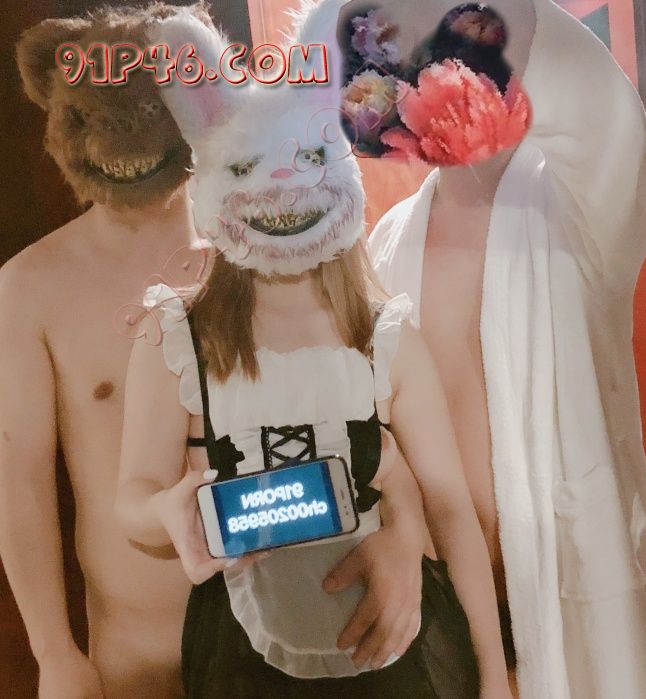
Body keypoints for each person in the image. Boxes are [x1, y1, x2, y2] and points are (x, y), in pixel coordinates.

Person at [0, 3, 426, 697]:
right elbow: (16, 480)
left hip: (302, 625)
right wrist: (54, 652)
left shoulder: (281, 238)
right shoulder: (30, 287)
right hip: (140, 651)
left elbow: (376, 411)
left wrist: (405, 535)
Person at [116, 3, 512, 697]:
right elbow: (134, 498)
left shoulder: (388, 338)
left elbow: (451, 512)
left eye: (307, 159)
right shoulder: (173, 339)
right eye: (250, 165)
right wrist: (171, 509)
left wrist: (493, 678)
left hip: (399, 653)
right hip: (243, 653)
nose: (282, 186)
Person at [356, 0, 646, 697]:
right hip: (439, 603)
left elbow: (602, 108)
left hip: (567, 592)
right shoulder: (387, 242)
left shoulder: (580, 211)